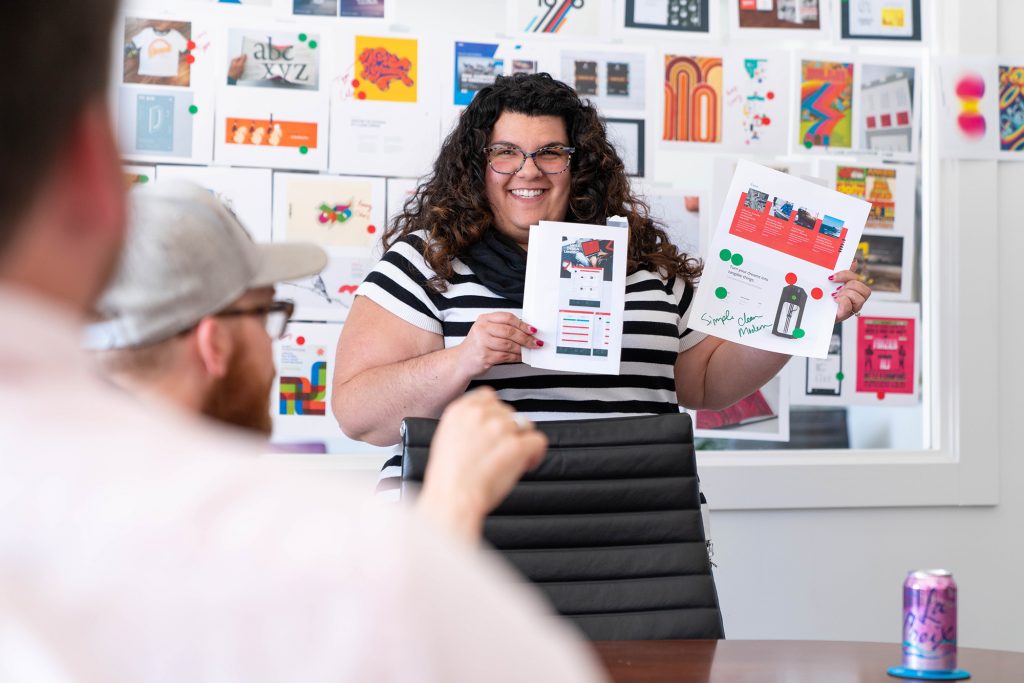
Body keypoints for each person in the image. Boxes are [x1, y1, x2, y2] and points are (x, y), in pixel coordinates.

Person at [0, 4, 604, 680]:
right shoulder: (310, 553)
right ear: (213, 343)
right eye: (269, 312)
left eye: (551, 151)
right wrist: (448, 510)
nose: (531, 168)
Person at [332, 73, 871, 492]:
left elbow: (706, 383)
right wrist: (464, 358)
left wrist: (801, 317)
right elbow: (359, 416)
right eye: (506, 152)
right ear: (478, 164)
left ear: (579, 164)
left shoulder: (640, 260)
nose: (529, 170)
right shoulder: (427, 260)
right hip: (470, 524)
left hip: (633, 519)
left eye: (550, 152)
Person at [85, 180, 543, 542]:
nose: (274, 349)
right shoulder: (244, 536)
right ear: (215, 345)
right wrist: (455, 501)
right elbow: (387, 646)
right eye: (268, 313)